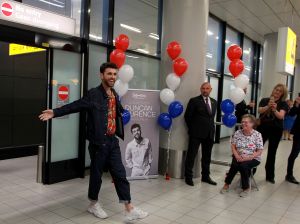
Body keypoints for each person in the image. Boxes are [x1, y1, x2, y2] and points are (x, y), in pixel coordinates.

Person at [39, 62, 148, 222]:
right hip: (99, 143)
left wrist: (122, 112)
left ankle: (129, 208)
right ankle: (93, 203)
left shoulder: (114, 93)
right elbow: (76, 105)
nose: (112, 77)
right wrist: (55, 112)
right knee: (96, 176)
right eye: (109, 74)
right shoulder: (94, 94)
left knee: (120, 174)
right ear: (101, 75)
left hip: (113, 141)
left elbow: (115, 111)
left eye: (114, 74)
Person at [220, 114, 263, 197]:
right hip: (238, 156)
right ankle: (226, 184)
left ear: (252, 124)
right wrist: (236, 155)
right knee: (235, 165)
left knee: (243, 166)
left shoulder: (257, 135)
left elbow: (260, 151)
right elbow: (233, 145)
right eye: (242, 122)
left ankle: (245, 188)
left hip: (253, 158)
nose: (243, 124)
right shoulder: (238, 133)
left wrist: (248, 157)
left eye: (246, 122)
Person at [184, 82, 217, 186]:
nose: (205, 90)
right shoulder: (194, 101)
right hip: (196, 134)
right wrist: (194, 129)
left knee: (207, 157)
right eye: (203, 88)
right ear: (200, 89)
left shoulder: (214, 102)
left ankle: (206, 177)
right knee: (191, 156)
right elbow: (187, 117)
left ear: (210, 89)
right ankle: (188, 177)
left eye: (207, 88)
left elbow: (211, 118)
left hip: (209, 134)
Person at [257, 83, 288, 184]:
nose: (277, 92)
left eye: (280, 91)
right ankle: (250, 170)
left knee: (272, 152)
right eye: (276, 89)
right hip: (263, 128)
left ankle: (270, 175)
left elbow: (280, 116)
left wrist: (274, 109)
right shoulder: (265, 100)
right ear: (273, 89)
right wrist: (268, 106)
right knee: (256, 149)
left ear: (282, 94)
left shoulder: (283, 103)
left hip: (276, 130)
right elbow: (259, 110)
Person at [285, 96, 300, 184]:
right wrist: (296, 105)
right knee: (294, 154)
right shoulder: (298, 102)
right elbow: (291, 113)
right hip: (299, 133)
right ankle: (289, 175)